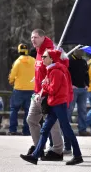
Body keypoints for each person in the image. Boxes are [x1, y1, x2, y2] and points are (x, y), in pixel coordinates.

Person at [20, 49, 83, 165]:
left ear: (51, 59)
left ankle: (78, 155)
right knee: (44, 130)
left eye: (45, 57)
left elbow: (53, 90)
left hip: (58, 104)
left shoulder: (56, 72)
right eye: (42, 56)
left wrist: (45, 84)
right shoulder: (52, 70)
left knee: (67, 130)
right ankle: (35, 156)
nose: (42, 58)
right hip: (54, 104)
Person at [26, 29, 63, 161]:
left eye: (35, 37)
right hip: (36, 93)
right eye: (31, 37)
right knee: (31, 120)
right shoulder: (39, 50)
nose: (33, 40)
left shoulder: (50, 51)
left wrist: (46, 88)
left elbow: (55, 71)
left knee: (52, 122)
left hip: (47, 93)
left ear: (43, 37)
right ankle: (38, 148)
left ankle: (58, 151)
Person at [8, 44, 35, 135]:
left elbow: (12, 75)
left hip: (19, 89)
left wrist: (11, 81)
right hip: (31, 89)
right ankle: (27, 130)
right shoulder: (34, 61)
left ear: (19, 51)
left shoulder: (17, 62)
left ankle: (13, 129)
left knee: (14, 109)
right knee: (29, 110)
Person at [67, 49, 91, 136]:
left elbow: (86, 74)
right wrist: (70, 85)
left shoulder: (83, 62)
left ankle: (82, 130)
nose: (81, 54)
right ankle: (66, 130)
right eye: (80, 52)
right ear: (75, 52)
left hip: (83, 89)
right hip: (73, 89)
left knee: (83, 110)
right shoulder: (69, 60)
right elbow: (66, 74)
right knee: (69, 110)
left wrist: (87, 84)